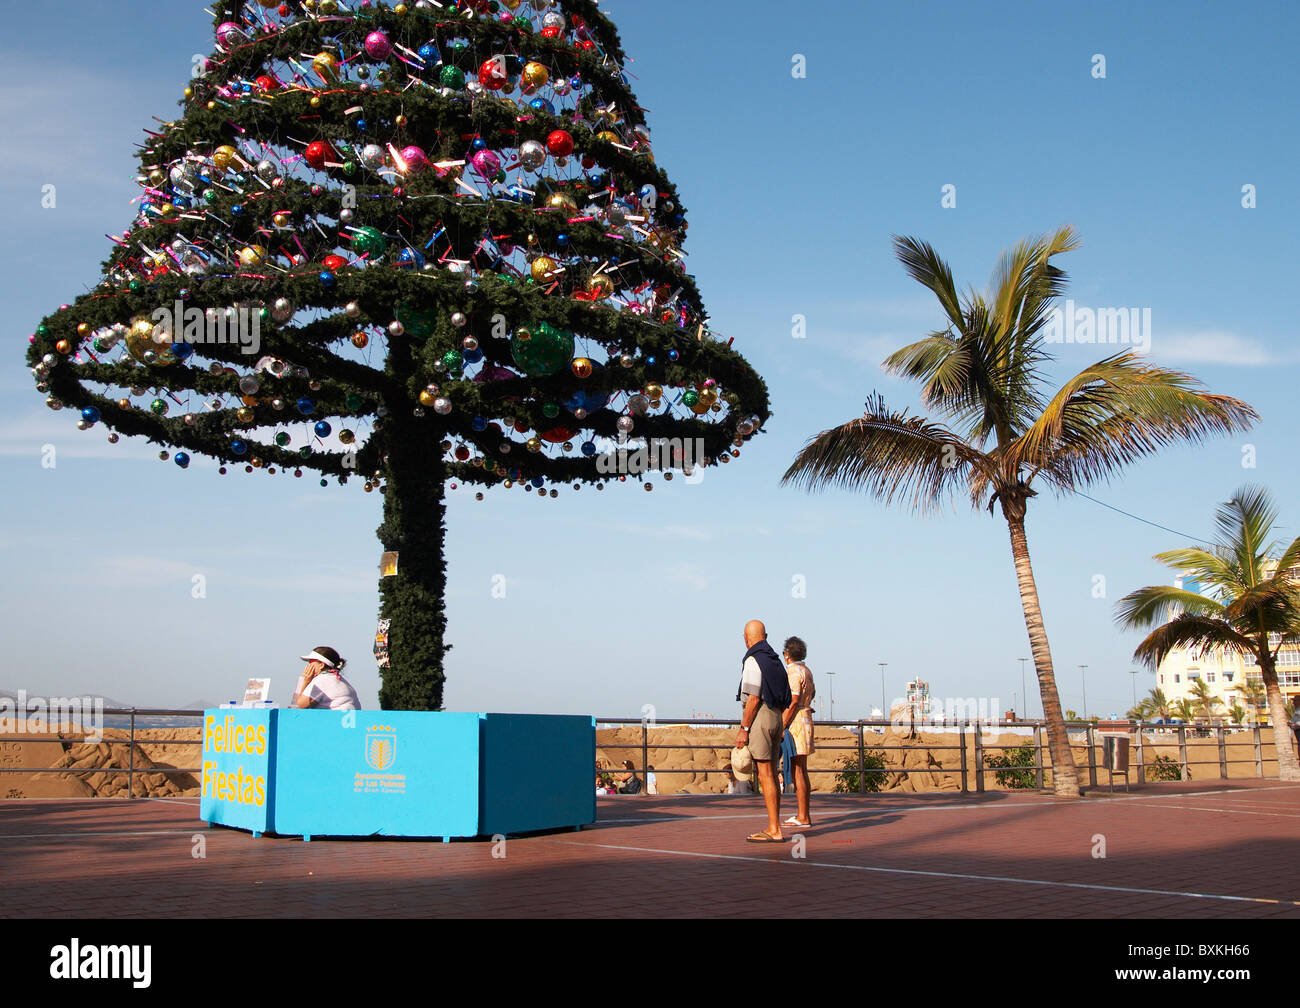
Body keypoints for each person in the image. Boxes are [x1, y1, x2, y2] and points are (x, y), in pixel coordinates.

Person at [734, 619, 792, 842]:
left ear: (746, 638)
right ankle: (774, 824)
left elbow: (753, 698)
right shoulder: (774, 660)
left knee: (765, 775)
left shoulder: (753, 660)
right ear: (765, 636)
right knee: (772, 773)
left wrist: (744, 729)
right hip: (777, 717)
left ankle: (774, 829)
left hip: (761, 717)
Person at [781, 636, 816, 829]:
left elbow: (794, 699)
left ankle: (803, 815)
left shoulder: (793, 671)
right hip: (806, 718)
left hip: (796, 722)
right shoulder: (807, 671)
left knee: (797, 769)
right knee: (801, 768)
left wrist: (782, 724)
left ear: (787, 654)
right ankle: (803, 813)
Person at [292, 646, 360, 710]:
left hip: (334, 720)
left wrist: (305, 681)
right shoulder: (341, 681)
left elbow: (298, 707)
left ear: (321, 665)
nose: (308, 665)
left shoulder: (321, 680)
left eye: (311, 662)